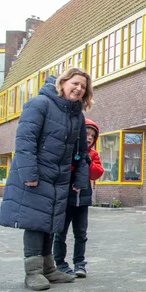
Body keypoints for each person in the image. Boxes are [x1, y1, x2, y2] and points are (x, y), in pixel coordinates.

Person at [0, 69, 92, 291]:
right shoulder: (39, 103)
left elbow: (81, 151)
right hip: (37, 175)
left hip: (59, 178)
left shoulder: (76, 115)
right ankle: (33, 272)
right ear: (63, 82)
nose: (79, 89)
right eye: (75, 83)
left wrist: (79, 178)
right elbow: (24, 140)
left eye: (83, 87)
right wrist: (29, 174)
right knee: (34, 222)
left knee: (51, 222)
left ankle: (49, 269)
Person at [53, 118, 105, 278]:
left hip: (82, 200)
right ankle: (60, 263)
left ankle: (79, 264)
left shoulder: (93, 154)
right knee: (60, 233)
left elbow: (97, 173)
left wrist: (88, 162)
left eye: (92, 136)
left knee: (81, 234)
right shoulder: (68, 151)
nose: (89, 138)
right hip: (65, 199)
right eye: (86, 134)